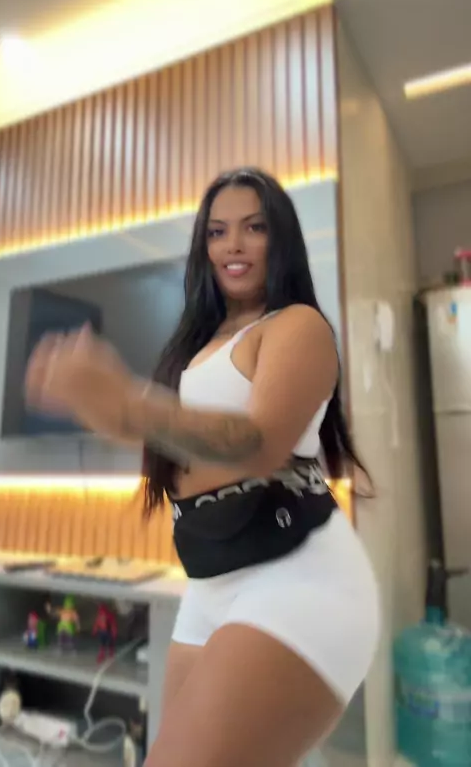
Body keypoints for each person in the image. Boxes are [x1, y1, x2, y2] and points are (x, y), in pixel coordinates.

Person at [25, 167, 380, 767]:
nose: (233, 245)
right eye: (217, 231)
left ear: (281, 238)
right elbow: (186, 442)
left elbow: (260, 444)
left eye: (254, 228)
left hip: (297, 575)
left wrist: (130, 405)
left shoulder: (298, 325)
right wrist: (110, 410)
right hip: (210, 578)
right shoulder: (199, 345)